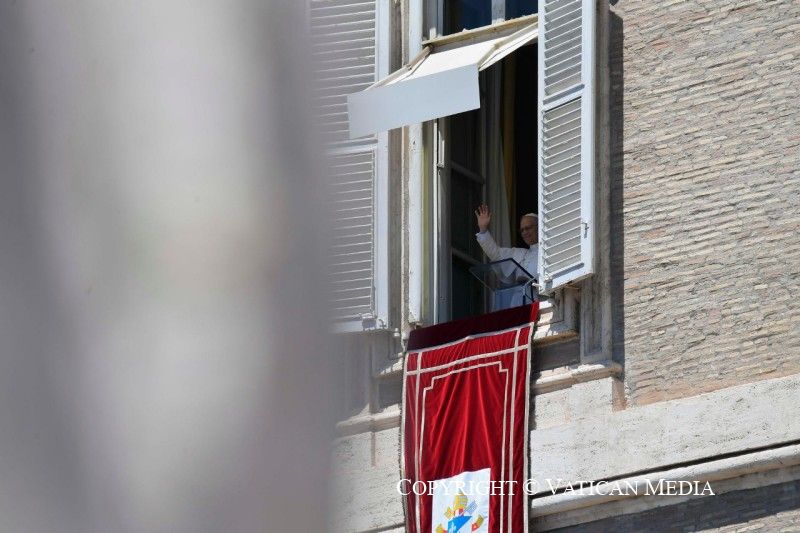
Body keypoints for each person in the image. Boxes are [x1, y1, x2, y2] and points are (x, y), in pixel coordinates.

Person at [474, 204, 539, 279]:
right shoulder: (521, 254)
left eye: (528, 228)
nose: (524, 233)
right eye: (522, 230)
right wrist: (483, 229)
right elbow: (496, 254)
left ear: (538, 227)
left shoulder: (548, 253)